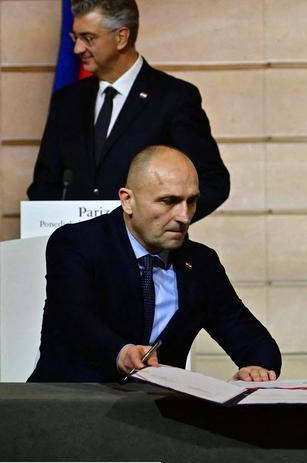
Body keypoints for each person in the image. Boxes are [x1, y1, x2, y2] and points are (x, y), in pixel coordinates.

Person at [28, 145, 279, 383]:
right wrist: (122, 352)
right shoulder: (78, 243)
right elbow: (75, 318)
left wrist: (255, 370)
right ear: (127, 200)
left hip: (153, 417)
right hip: (68, 406)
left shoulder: (201, 264)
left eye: (191, 201)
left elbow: (254, 341)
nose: (183, 216)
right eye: (168, 201)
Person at [27, 0, 229, 221]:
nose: (77, 48)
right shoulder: (67, 100)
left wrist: (162, 223)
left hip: (145, 253)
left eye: (88, 38)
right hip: (76, 251)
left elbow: (213, 181)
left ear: (121, 37)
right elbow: (45, 182)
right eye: (76, 37)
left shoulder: (173, 98)